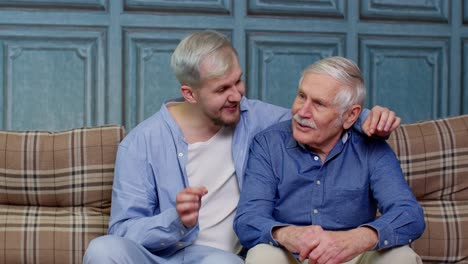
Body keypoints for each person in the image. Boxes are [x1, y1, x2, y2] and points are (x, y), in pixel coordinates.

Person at [83, 31, 401, 263]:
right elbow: (122, 231)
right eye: (222, 88)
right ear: (190, 93)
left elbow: (317, 118)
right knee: (102, 249)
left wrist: (370, 118)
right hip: (156, 255)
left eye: (239, 81)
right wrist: (175, 220)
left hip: (220, 260)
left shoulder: (256, 118)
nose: (236, 95)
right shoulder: (140, 144)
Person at [233, 56, 425, 264]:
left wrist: (355, 239)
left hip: (351, 254)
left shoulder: (371, 147)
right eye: (301, 96)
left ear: (351, 116)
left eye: (319, 104)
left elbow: (409, 214)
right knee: (263, 255)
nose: (301, 112)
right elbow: (248, 219)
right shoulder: (269, 144)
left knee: (401, 257)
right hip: (292, 254)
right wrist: (288, 234)